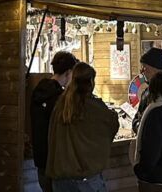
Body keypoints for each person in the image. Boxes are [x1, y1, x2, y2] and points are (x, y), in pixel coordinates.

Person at [47, 62, 119, 192]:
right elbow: (112, 127)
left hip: (61, 180)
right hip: (87, 180)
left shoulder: (60, 106)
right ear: (91, 82)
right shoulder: (96, 109)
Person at [32, 51, 78, 192]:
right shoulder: (60, 98)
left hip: (41, 159)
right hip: (57, 162)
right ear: (69, 72)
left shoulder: (37, 91)